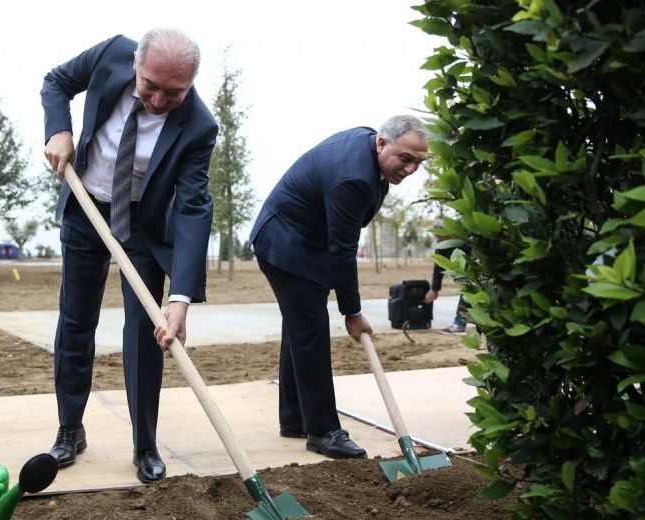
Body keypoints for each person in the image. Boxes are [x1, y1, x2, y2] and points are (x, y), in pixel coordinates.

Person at [41, 28, 218, 484]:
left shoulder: (200, 126)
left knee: (145, 329)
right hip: (86, 205)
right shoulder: (110, 53)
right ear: (136, 64)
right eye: (150, 86)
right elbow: (56, 81)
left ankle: (145, 444)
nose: (158, 100)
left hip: (142, 222)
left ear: (192, 84)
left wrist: (180, 296)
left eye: (174, 92)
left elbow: (195, 205)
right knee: (76, 320)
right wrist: (59, 130)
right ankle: (69, 429)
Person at [249, 115, 428, 459]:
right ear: (381, 143)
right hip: (286, 245)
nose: (409, 169)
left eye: (418, 162)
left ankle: (295, 417)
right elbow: (343, 250)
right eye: (405, 158)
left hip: (302, 242)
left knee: (301, 327)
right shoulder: (354, 179)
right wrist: (352, 312)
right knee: (311, 329)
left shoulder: (366, 149)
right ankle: (322, 430)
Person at [423, 227, 471, 335]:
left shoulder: (464, 240)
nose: (440, 239)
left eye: (441, 236)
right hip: (462, 275)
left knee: (469, 293)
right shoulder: (441, 246)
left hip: (476, 272)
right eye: (438, 237)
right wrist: (434, 289)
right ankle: (459, 324)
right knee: (467, 293)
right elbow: (438, 268)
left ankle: (459, 325)